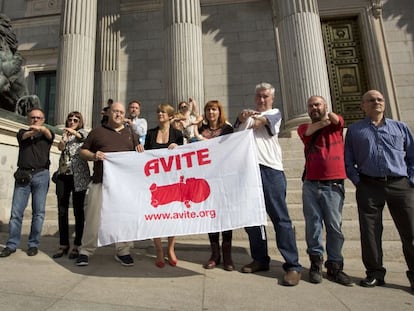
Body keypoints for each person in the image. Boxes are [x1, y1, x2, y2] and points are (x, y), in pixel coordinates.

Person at [345, 90, 414, 291]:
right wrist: (359, 181)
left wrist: (410, 180)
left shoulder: (400, 127)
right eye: (371, 100)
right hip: (369, 185)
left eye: (380, 99)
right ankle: (374, 273)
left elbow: (412, 156)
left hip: (399, 184)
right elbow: (348, 161)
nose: (376, 102)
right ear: (363, 106)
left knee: (410, 231)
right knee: (370, 232)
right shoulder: (355, 130)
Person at [234, 82, 302, 286]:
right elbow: (234, 135)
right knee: (253, 220)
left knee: (280, 219)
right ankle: (260, 258)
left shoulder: (275, 113)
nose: (262, 100)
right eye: (259, 96)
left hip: (270, 171)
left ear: (271, 98)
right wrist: (240, 118)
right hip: (248, 172)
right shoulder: (248, 117)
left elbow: (258, 124)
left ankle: (292, 265)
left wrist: (249, 118)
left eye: (265, 96)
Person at [76, 102, 144, 267]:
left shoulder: (130, 134)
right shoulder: (97, 132)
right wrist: (94, 155)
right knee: (93, 218)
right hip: (100, 182)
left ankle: (123, 250)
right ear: (108, 113)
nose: (119, 114)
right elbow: (82, 151)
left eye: (121, 112)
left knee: (124, 219)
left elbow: (138, 156)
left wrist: (140, 150)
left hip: (123, 186)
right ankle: (85, 251)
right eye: (115, 111)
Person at [297, 96, 353, 286]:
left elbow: (337, 121)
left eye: (317, 104)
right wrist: (323, 121)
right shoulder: (303, 127)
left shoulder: (336, 124)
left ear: (325, 106)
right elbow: (309, 131)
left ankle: (335, 266)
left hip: (333, 185)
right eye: (311, 105)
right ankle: (315, 263)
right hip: (311, 184)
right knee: (313, 226)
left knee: (334, 227)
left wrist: (328, 116)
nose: (314, 108)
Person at [0, 108, 54, 257]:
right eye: (32, 117)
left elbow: (49, 134)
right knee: (16, 213)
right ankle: (11, 245)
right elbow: (24, 136)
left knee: (39, 213)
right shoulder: (22, 132)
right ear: (28, 119)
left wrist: (41, 129)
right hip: (23, 175)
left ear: (43, 120)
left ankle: (33, 244)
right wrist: (33, 131)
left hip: (41, 175)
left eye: (38, 117)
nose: (35, 119)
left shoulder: (47, 135)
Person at [197, 100, 234, 271]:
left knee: (225, 217)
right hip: (207, 179)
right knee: (212, 216)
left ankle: (227, 256)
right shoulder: (201, 130)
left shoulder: (227, 129)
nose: (211, 112)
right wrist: (193, 126)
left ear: (219, 111)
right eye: (208, 109)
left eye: (214, 109)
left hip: (223, 178)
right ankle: (215, 254)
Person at [144, 103, 184, 268]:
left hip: (172, 182)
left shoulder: (177, 134)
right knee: (156, 216)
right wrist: (140, 149)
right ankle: (159, 250)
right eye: (158, 111)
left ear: (170, 115)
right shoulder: (150, 133)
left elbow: (186, 156)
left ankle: (171, 249)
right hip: (156, 183)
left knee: (172, 215)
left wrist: (179, 148)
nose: (160, 114)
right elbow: (145, 155)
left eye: (163, 112)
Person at [52, 111, 90, 260]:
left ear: (79, 122)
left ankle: (77, 244)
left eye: (75, 120)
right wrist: (64, 139)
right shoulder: (66, 136)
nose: (72, 121)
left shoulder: (81, 133)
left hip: (78, 177)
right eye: (70, 119)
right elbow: (60, 148)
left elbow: (83, 137)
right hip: (63, 175)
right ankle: (63, 244)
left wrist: (72, 132)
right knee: (62, 210)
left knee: (78, 211)